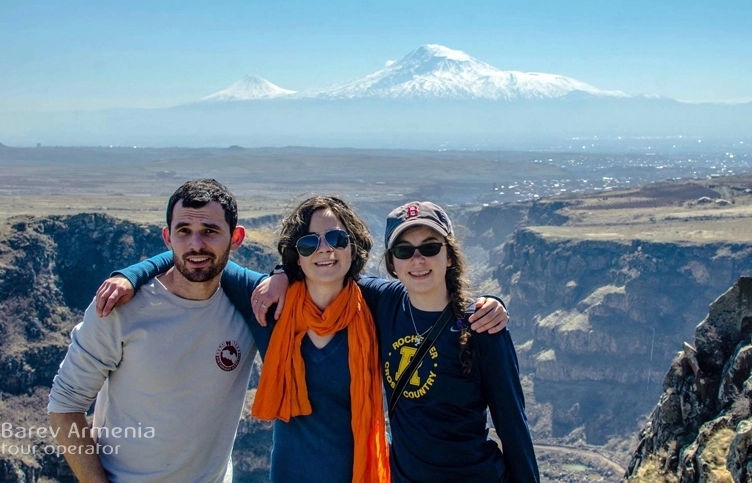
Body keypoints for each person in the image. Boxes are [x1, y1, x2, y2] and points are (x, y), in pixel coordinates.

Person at [100, 196, 509, 482]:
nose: (324, 250)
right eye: (309, 242)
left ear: (353, 247)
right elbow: (199, 255)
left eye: (337, 239)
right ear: (295, 254)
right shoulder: (270, 306)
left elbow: (433, 296)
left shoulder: (376, 307)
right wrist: (130, 275)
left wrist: (487, 305)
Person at [252, 201, 539, 482]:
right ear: (392, 263)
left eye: (430, 247)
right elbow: (326, 271)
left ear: (449, 256)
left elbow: (512, 424)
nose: (418, 260)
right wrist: (281, 273)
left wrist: (493, 303)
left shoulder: (481, 325)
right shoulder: (384, 302)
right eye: (404, 251)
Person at [48, 179, 264, 483]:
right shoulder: (119, 308)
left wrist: (281, 275)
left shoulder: (249, 309)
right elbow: (65, 405)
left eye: (210, 231)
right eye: (183, 231)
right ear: (167, 237)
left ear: (236, 237)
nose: (196, 244)